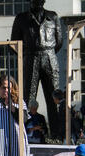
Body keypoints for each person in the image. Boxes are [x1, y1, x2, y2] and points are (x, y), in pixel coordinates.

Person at [11, 0, 63, 138]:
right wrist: (29, 53)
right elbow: (15, 43)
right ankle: (24, 134)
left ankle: (57, 136)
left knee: (54, 98)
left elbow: (59, 42)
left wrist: (47, 51)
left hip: (49, 56)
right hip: (30, 57)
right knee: (28, 97)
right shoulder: (21, 18)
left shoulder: (53, 16)